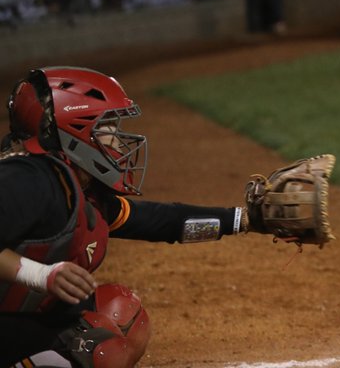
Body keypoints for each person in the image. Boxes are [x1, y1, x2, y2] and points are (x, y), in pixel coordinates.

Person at [0, 66, 308, 366]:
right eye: (107, 129)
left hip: (19, 320)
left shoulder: (81, 189)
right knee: (102, 352)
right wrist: (41, 275)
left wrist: (246, 220)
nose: (119, 142)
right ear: (73, 132)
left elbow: (160, 221)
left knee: (122, 313)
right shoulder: (29, 180)